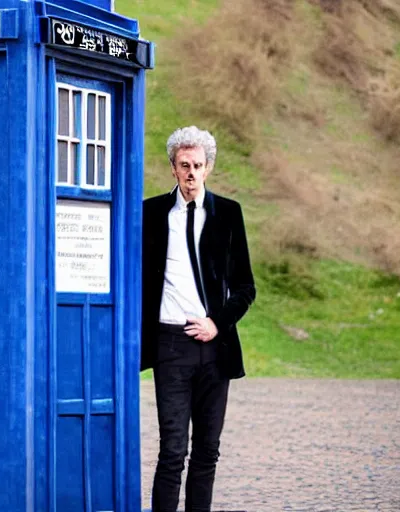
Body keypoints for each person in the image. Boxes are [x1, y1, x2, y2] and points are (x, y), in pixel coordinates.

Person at [141, 126, 256, 512]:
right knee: (172, 450)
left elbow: (246, 288)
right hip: (170, 345)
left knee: (208, 450)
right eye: (184, 165)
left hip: (215, 347)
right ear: (173, 168)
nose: (191, 173)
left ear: (208, 169)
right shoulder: (151, 213)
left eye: (198, 165)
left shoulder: (228, 214)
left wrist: (217, 323)